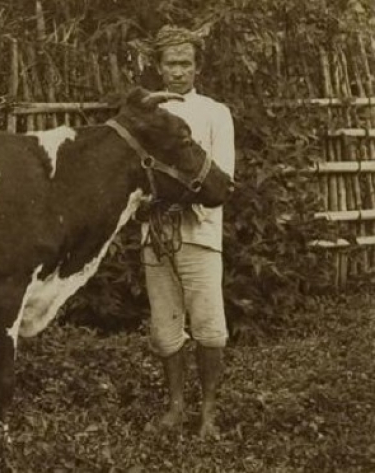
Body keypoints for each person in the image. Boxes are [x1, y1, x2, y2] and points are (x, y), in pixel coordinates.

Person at [142, 25, 236, 440]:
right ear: (158, 67)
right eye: (170, 64)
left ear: (197, 66)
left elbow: (223, 179)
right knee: (165, 326)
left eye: (185, 63)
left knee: (209, 324)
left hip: (200, 232)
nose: (178, 72)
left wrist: (179, 197)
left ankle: (210, 413)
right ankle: (176, 407)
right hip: (156, 233)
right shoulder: (148, 112)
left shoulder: (215, 112)